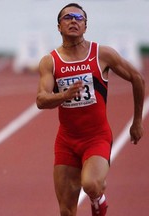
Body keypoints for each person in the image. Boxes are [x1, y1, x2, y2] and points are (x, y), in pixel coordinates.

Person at [36, 3, 145, 216]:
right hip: (66, 141)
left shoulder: (101, 54)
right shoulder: (50, 62)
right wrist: (63, 96)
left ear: (86, 26)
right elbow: (41, 100)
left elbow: (137, 78)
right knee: (66, 211)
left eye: (79, 18)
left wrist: (137, 121)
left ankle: (98, 199)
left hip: (97, 137)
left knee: (91, 184)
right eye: (67, 18)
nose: (73, 21)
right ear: (59, 26)